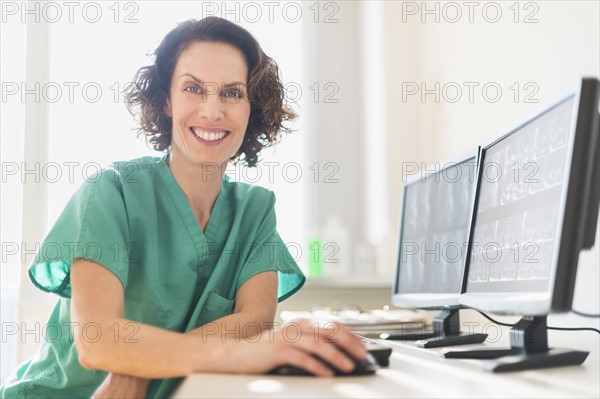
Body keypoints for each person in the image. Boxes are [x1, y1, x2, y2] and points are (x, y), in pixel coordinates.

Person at [0, 17, 367, 399]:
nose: (212, 111)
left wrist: (139, 367)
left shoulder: (254, 211)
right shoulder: (110, 194)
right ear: (166, 100)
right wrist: (134, 358)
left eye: (232, 93)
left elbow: (253, 322)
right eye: (193, 88)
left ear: (251, 108)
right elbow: (100, 342)